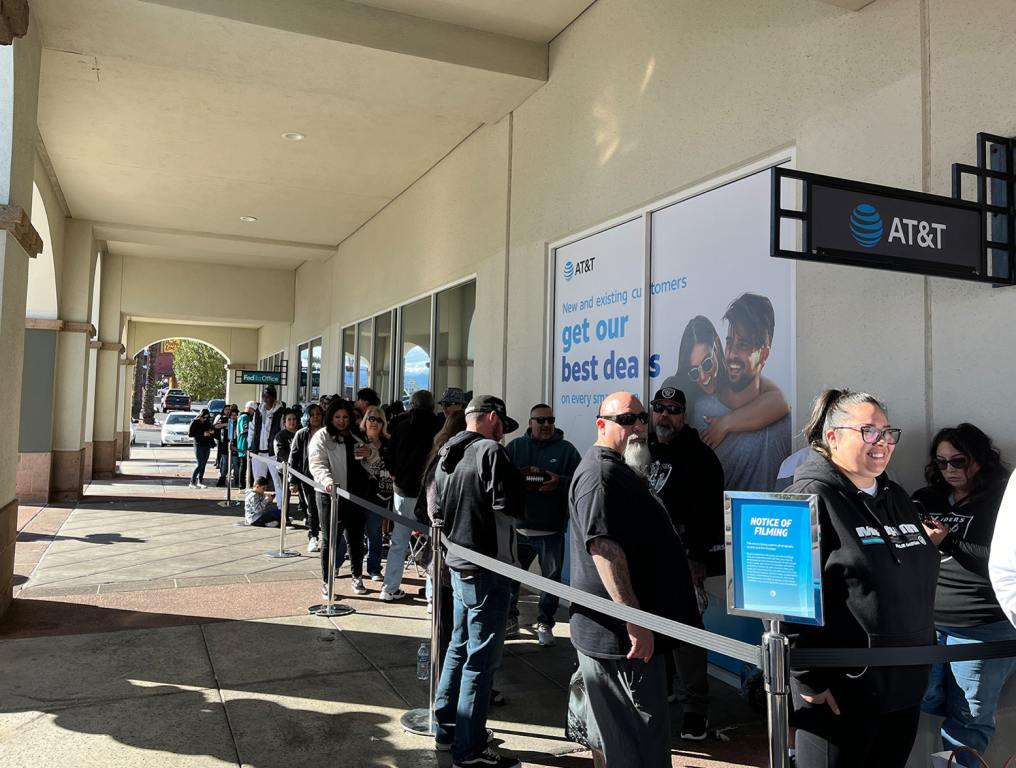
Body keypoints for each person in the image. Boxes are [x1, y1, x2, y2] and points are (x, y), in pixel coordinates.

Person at [786, 389, 940, 768]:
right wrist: (809, 681)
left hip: (903, 687)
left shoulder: (896, 495)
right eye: (868, 431)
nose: (882, 442)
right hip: (842, 694)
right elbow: (785, 595)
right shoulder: (808, 499)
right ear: (833, 437)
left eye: (887, 432)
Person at [569, 391, 700, 768]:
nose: (638, 426)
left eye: (642, 417)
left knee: (616, 737)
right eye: (626, 420)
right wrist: (636, 620)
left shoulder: (618, 468)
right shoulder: (600, 474)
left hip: (625, 638)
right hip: (621, 641)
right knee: (635, 740)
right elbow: (603, 549)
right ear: (602, 425)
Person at [912, 424, 1016, 766]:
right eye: (942, 463)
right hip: (929, 620)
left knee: (969, 718)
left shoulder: (1002, 497)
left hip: (982, 623)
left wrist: (949, 541)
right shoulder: (928, 497)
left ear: (979, 459)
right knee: (919, 696)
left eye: (959, 461)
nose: (951, 470)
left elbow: (1000, 558)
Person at [431, 395, 525, 768]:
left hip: (458, 563)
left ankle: (447, 728)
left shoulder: (447, 450)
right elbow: (511, 506)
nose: (503, 432)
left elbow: (435, 507)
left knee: (459, 647)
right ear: (490, 417)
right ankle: (469, 749)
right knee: (480, 661)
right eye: (502, 422)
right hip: (487, 568)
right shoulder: (490, 451)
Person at [645, 378, 723, 740]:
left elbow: (710, 516)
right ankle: (664, 690)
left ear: (684, 416)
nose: (665, 415)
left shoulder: (701, 457)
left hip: (683, 564)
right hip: (644, 562)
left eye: (673, 411)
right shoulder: (641, 447)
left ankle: (696, 708)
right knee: (650, 632)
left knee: (687, 639)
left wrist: (697, 560)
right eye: (659, 408)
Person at [679, 298, 791, 491]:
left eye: (743, 345)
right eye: (730, 343)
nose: (731, 354)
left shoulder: (783, 422)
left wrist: (726, 423)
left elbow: (779, 400)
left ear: (764, 355)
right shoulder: (702, 413)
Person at [505, 403, 581, 646]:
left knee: (550, 580)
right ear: (530, 423)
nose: (546, 425)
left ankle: (546, 622)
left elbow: (580, 483)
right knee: (510, 578)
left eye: (550, 420)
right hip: (518, 528)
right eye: (541, 421)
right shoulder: (515, 447)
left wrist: (559, 482)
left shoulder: (567, 450)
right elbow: (499, 479)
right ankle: (510, 618)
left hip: (551, 530)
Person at [381, 389, 441, 602]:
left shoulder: (401, 425)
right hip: (431, 490)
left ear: (411, 405)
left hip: (404, 489)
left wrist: (395, 473)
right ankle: (432, 595)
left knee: (399, 539)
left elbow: (388, 454)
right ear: (433, 407)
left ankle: (389, 587)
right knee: (434, 543)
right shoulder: (439, 426)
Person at [309, 397, 371, 598]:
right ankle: (327, 581)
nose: (342, 420)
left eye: (345, 416)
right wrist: (326, 481)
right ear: (331, 417)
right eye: (337, 417)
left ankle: (357, 576)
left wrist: (370, 453)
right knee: (330, 538)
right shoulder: (322, 437)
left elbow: (373, 460)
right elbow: (317, 463)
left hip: (356, 495)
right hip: (330, 495)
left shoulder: (357, 435)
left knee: (356, 538)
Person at [359, 404, 393, 581]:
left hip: (380, 494)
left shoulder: (388, 442)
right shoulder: (358, 439)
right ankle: (341, 565)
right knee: (352, 533)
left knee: (375, 533)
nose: (374, 423)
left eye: (379, 420)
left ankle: (374, 568)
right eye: (371, 418)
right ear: (365, 421)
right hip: (357, 493)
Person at [290, 403, 324, 553]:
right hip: (307, 477)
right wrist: (294, 480)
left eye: (318, 414)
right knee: (312, 509)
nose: (315, 417)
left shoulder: (327, 432)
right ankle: (313, 536)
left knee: (325, 509)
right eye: (312, 414)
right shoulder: (302, 434)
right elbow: (294, 457)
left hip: (325, 477)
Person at [251, 385, 285, 491]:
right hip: (258, 451)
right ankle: (257, 506)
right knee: (258, 481)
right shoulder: (258, 412)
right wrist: (250, 444)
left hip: (273, 453)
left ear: (274, 398)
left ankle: (280, 506)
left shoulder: (281, 412)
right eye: (264, 397)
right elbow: (252, 428)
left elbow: (283, 430)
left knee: (277, 481)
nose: (266, 399)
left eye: (268, 397)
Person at [188, 409, 217, 488]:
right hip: (198, 444)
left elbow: (212, 429)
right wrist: (202, 433)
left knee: (204, 464)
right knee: (200, 464)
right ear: (200, 416)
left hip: (207, 444)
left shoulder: (207, 422)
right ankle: (192, 482)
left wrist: (211, 432)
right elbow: (190, 434)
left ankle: (200, 481)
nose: (205, 419)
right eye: (203, 417)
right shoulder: (195, 422)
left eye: (207, 418)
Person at [236, 401, 255, 489]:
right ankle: (243, 484)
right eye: (253, 410)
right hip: (245, 444)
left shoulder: (241, 416)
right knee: (244, 465)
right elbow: (245, 429)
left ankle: (243, 484)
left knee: (244, 465)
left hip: (243, 443)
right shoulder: (245, 417)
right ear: (250, 408)